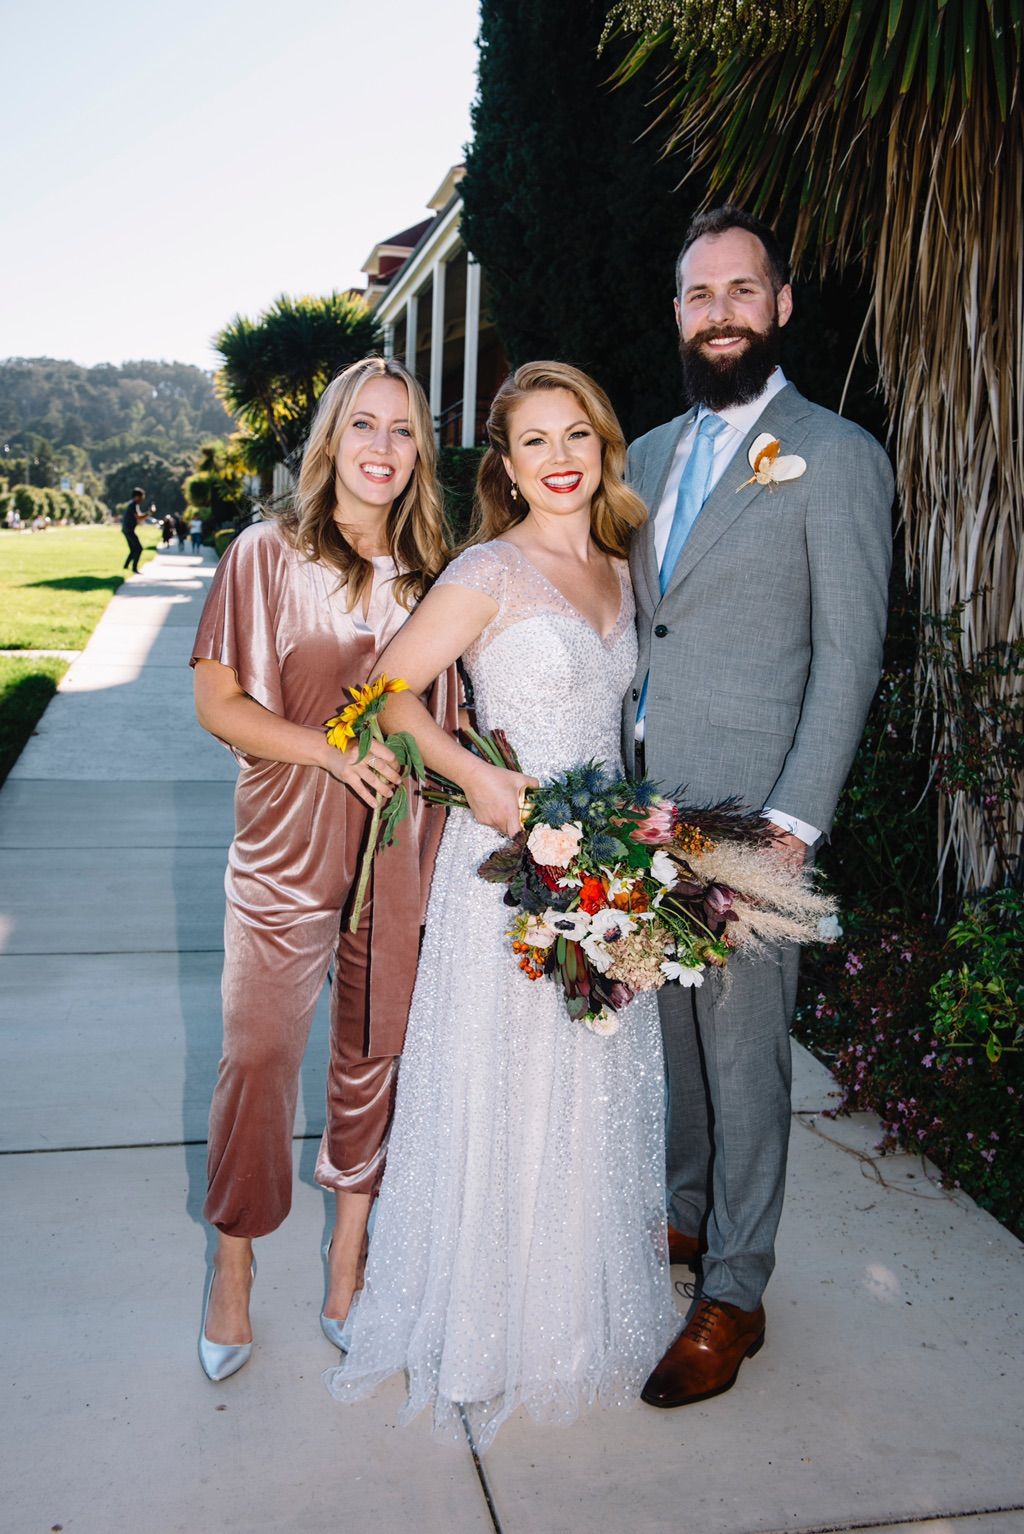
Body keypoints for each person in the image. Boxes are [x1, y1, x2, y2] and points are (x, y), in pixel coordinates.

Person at [326, 361, 679, 1450]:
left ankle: (571, 1309)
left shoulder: (626, 566)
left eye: (576, 434)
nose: (560, 458)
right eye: (535, 442)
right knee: (501, 1087)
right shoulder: (488, 567)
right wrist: (474, 776)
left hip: (604, 872)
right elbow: (382, 696)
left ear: (603, 445)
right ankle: (478, 1325)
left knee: (590, 1090)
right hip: (500, 876)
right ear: (508, 467)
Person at [624, 206, 893, 1409]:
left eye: (742, 290)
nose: (720, 312)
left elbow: (849, 652)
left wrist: (794, 821)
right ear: (676, 313)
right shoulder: (635, 460)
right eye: (699, 294)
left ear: (779, 306)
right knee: (671, 1044)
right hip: (638, 821)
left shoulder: (834, 456)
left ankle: (734, 1295)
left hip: (752, 829)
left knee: (742, 1059)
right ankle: (682, 1225)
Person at [190, 356, 455, 1382]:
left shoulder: (438, 575)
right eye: (365, 427)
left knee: (371, 1062)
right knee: (257, 1055)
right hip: (285, 848)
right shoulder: (266, 554)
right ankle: (234, 1259)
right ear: (332, 441)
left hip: (399, 854)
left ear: (418, 452)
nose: (383, 449)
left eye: (403, 431)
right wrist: (330, 751)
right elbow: (218, 706)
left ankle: (348, 1266)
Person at [121, 488, 145, 572]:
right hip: (128, 530)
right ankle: (134, 568)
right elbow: (138, 517)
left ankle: (126, 566)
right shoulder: (133, 505)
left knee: (133, 549)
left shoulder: (134, 505)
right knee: (139, 548)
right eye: (141, 496)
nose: (143, 498)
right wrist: (149, 513)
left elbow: (139, 517)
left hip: (127, 530)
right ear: (137, 497)